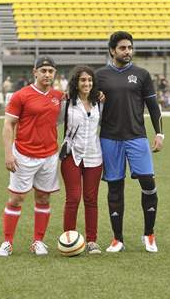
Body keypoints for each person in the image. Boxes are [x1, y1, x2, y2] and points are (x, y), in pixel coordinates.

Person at [96, 31, 164, 253]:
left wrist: (159, 133)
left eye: (130, 47)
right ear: (112, 50)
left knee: (148, 184)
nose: (127, 51)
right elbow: (90, 108)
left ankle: (149, 235)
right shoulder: (100, 75)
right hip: (109, 138)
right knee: (115, 188)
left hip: (137, 137)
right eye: (123, 48)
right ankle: (118, 239)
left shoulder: (142, 74)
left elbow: (153, 108)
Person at [0, 56, 64, 257]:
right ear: (35, 72)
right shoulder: (21, 96)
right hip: (23, 155)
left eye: (51, 71)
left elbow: (82, 98)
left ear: (54, 74)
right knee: (17, 198)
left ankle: (38, 242)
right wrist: (8, 153)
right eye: (43, 71)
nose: (47, 75)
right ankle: (7, 242)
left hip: (49, 156)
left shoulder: (58, 96)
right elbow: (8, 125)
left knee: (43, 197)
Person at [60, 66, 103, 254]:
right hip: (72, 155)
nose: (87, 83)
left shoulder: (99, 102)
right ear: (76, 83)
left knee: (91, 199)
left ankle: (92, 241)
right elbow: (53, 120)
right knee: (73, 198)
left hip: (94, 155)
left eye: (90, 80)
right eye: (83, 80)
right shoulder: (68, 101)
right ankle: (69, 238)